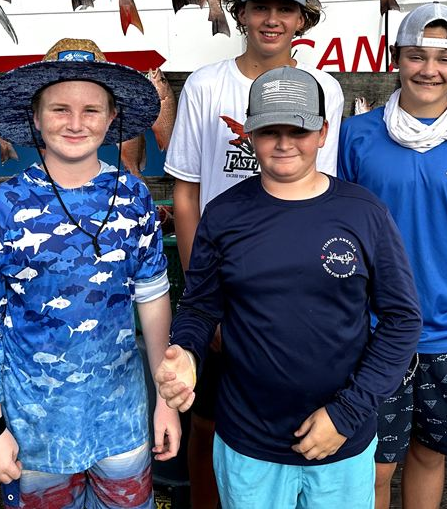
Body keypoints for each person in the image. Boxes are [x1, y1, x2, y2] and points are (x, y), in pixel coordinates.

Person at [155, 66, 422, 509]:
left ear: (322, 132)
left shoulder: (364, 213)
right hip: (248, 442)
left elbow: (401, 320)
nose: (283, 143)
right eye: (268, 130)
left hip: (341, 440)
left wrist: (347, 414)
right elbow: (201, 308)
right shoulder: (223, 216)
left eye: (297, 129)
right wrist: (186, 351)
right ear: (248, 135)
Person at [0, 38, 180, 509]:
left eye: (92, 110)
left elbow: (153, 296)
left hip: (122, 419)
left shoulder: (135, 198)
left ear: (111, 118)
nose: (76, 123)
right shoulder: (2, 207)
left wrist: (166, 399)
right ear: (35, 118)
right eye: (60, 109)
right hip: (34, 427)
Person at [163, 0, 345, 509]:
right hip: (220, 278)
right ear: (240, 13)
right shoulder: (205, 84)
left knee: (292, 413)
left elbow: (322, 194)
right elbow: (188, 193)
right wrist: (204, 296)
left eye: (285, 8)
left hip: (293, 285)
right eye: (260, 6)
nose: (272, 19)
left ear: (303, 19)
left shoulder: (324, 89)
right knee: (206, 421)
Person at [337, 2, 447, 509]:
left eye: (444, 57)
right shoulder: (356, 137)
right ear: (396, 59)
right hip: (373, 332)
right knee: (374, 466)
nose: (429, 69)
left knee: (430, 455)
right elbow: (336, 234)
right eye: (417, 55)